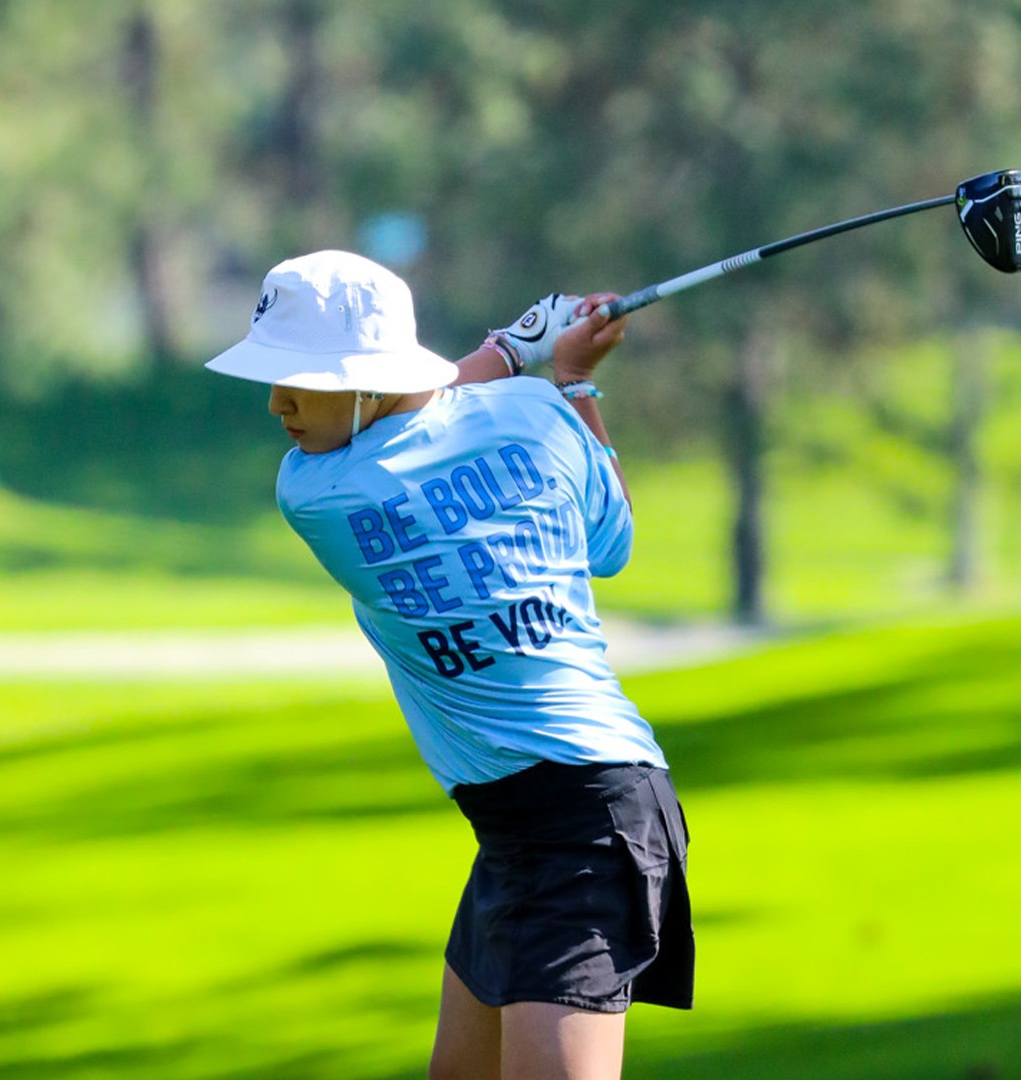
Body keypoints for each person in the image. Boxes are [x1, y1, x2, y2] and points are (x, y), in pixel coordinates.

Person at [205, 250, 691, 1080]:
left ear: (367, 377)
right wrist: (567, 379)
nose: (278, 403)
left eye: (301, 378)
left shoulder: (317, 488)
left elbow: (448, 401)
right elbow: (615, 540)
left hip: (586, 817)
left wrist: (512, 346)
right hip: (517, 829)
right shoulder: (536, 418)